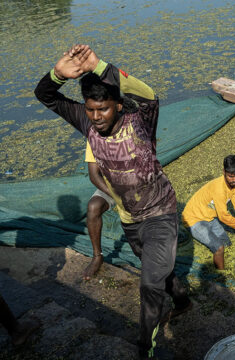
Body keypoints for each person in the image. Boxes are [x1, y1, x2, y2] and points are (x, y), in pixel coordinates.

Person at [35, 44, 191, 359]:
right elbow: (46, 95)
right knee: (158, 269)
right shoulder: (86, 120)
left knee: (149, 284)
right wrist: (57, 74)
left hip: (161, 212)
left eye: (103, 109)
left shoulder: (139, 119)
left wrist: (99, 65)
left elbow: (149, 95)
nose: (96, 117)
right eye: (91, 109)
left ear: (117, 105)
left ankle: (144, 347)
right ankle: (184, 301)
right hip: (130, 219)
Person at [182, 155, 235, 270]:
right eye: (230, 176)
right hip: (193, 219)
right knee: (219, 248)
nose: (234, 180)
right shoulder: (219, 189)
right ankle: (221, 274)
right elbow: (224, 217)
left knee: (227, 244)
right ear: (224, 172)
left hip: (209, 217)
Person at [82, 140, 116, 281]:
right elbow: (94, 175)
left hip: (135, 184)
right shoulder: (94, 138)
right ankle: (97, 256)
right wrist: (116, 195)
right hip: (111, 186)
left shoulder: (131, 130)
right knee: (93, 207)